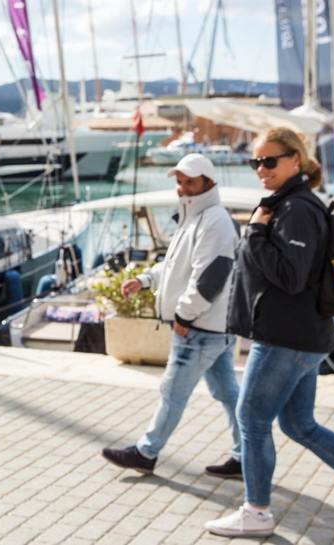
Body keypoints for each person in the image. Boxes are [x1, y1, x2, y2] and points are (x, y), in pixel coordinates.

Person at [206, 128, 334, 537]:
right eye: (255, 162)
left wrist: (255, 233)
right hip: (300, 336)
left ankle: (256, 512)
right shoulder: (289, 204)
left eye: (269, 161)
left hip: (286, 338)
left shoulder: (296, 210)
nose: (261, 169)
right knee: (299, 425)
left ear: (295, 159)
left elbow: (291, 277)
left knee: (251, 419)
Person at [101, 153, 243, 478]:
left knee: (172, 392)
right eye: (179, 182)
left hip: (199, 328)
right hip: (212, 328)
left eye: (190, 181)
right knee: (227, 393)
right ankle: (246, 455)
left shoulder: (214, 221)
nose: (182, 188)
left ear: (208, 183)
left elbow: (210, 278)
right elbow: (175, 265)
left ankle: (146, 452)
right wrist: (146, 280)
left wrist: (183, 317)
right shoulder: (195, 218)